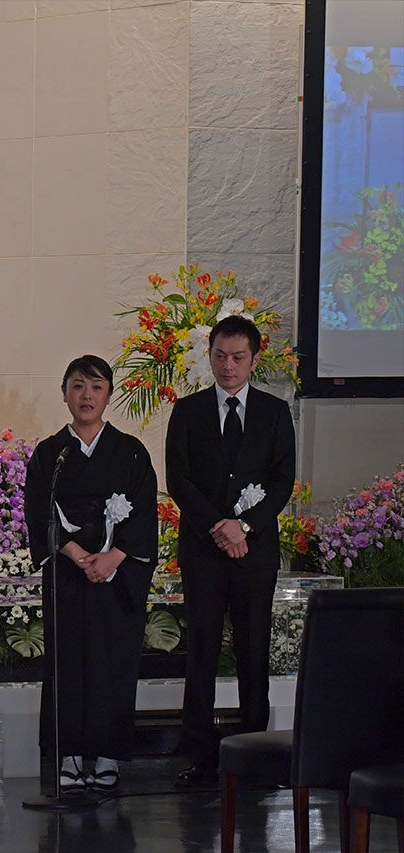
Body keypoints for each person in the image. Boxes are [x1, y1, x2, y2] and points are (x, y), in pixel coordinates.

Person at [165, 315, 296, 787]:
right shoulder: (188, 410)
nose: (228, 366)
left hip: (255, 551)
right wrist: (219, 526)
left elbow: (283, 480)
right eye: (219, 356)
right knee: (199, 649)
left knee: (252, 648)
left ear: (255, 359)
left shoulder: (275, 412)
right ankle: (199, 753)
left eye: (238, 357)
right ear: (210, 356)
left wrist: (244, 526)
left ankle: (255, 752)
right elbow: (179, 479)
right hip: (203, 549)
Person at [25, 355, 158, 794]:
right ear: (64, 392)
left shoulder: (132, 451)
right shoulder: (50, 454)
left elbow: (143, 515)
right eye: (78, 386)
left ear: (109, 394)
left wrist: (112, 557)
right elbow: (37, 513)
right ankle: (69, 754)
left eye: (96, 387)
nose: (86, 396)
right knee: (68, 662)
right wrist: (80, 555)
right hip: (69, 574)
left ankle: (106, 755)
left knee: (112, 662)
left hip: (116, 579)